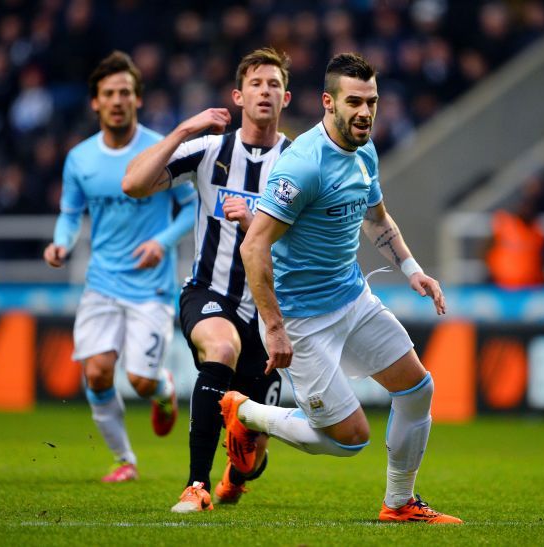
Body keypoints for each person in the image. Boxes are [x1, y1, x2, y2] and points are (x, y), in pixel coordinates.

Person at [229, 52, 462, 524]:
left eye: (371, 101)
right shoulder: (303, 166)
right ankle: (245, 413)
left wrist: (412, 268)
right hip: (304, 321)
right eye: (354, 101)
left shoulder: (365, 149)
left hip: (353, 299)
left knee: (418, 388)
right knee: (347, 439)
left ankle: (399, 504)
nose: (365, 112)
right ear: (327, 103)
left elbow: (376, 218)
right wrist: (274, 328)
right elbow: (254, 247)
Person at [121, 47, 292, 513]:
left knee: (254, 455)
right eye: (256, 83)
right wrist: (183, 129)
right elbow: (133, 184)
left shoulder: (299, 162)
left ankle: (236, 475)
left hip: (268, 314)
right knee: (220, 350)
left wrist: (256, 219)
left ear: (287, 98)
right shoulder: (209, 150)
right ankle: (196, 486)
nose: (265, 91)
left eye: (274, 84)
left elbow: (312, 238)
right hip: (208, 293)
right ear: (238, 95)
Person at [44, 51, 196, 483]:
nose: (117, 100)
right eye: (108, 93)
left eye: (125, 93)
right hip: (102, 282)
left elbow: (190, 207)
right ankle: (124, 459)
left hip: (150, 286)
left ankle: (163, 390)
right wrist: (60, 244)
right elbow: (71, 214)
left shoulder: (159, 149)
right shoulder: (80, 159)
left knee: (141, 382)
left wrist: (161, 242)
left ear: (138, 99)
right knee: (95, 372)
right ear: (95, 102)